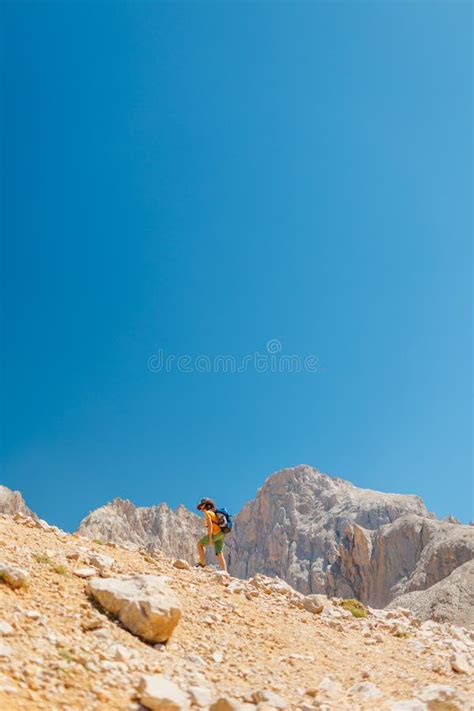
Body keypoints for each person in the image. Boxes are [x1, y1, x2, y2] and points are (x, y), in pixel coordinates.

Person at [196, 497, 227, 572]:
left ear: (206, 505)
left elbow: (210, 525)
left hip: (215, 533)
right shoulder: (213, 513)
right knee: (219, 553)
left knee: (199, 544)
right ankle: (225, 572)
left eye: (202, 505)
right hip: (221, 533)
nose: (201, 508)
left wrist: (210, 538)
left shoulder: (207, 513)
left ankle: (202, 563)